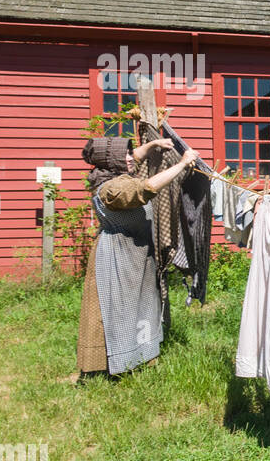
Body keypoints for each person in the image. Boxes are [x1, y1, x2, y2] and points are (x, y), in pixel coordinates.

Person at [77, 135, 200, 377]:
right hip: (119, 256)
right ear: (110, 161)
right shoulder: (113, 187)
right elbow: (148, 188)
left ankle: (140, 357)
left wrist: (154, 145)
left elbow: (133, 158)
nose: (130, 157)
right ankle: (118, 363)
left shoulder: (111, 173)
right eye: (123, 155)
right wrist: (183, 163)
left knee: (141, 305)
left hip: (135, 252)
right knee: (121, 310)